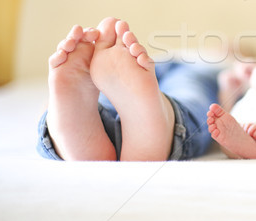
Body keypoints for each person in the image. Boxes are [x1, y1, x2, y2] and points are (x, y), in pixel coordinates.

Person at [37, 17, 256, 161]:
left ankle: (87, 122)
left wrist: (235, 78)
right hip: (146, 69)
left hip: (190, 74)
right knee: (119, 93)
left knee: (185, 96)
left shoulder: (226, 66)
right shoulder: (201, 55)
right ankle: (91, 121)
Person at [38, 17, 220, 161]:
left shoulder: (228, 63)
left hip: (193, 68)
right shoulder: (225, 59)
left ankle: (76, 121)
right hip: (161, 68)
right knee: (191, 95)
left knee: (107, 93)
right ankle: (165, 122)